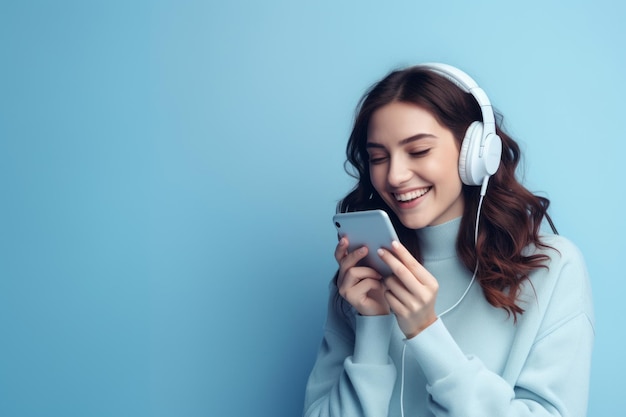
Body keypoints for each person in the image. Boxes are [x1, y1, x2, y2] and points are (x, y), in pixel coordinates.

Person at [302, 63, 594, 417]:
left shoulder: (552, 269)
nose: (394, 176)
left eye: (419, 151)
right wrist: (373, 327)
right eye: (378, 158)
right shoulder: (361, 277)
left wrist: (427, 333)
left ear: (476, 154)